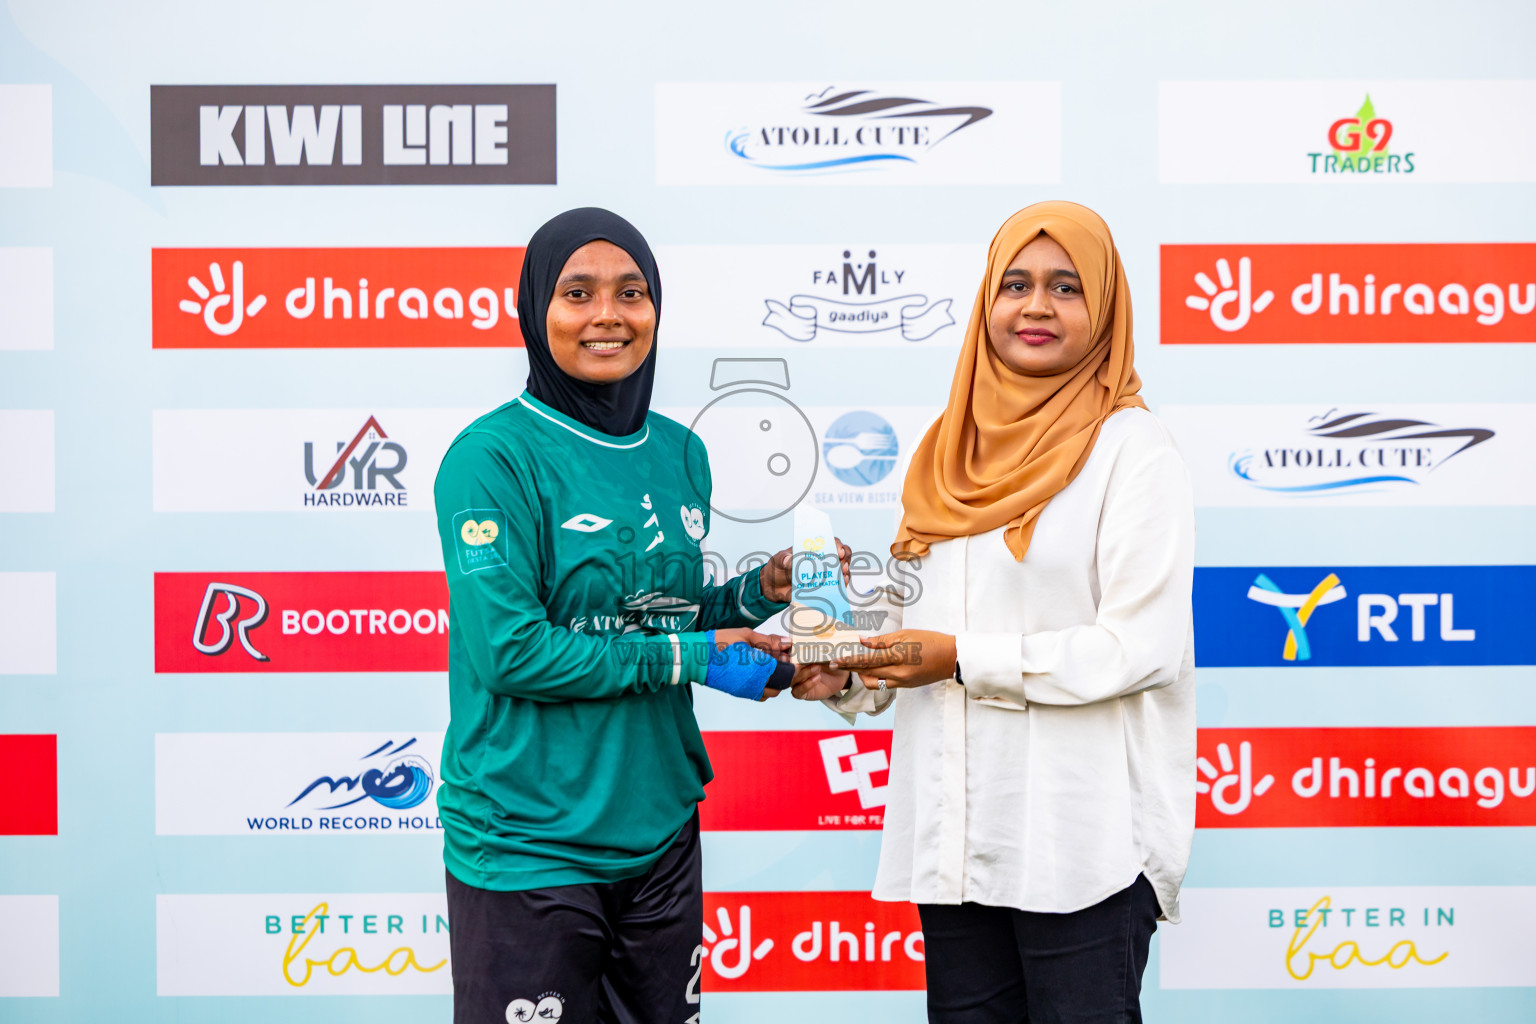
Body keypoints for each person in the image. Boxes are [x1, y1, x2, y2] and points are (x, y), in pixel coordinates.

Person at [794, 201, 1196, 1024]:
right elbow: (911, 635)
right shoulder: (947, 451)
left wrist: (962, 658)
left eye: (1066, 286)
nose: (1036, 307)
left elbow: (1138, 647)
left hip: (1082, 846)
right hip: (957, 844)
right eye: (1015, 284)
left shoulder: (1133, 452)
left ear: (1107, 310)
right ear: (987, 302)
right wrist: (845, 664)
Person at [433, 208, 831, 1024]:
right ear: (536, 310)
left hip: (659, 834)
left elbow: (662, 619)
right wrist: (691, 654)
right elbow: (514, 653)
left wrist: (761, 596)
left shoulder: (680, 451)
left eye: (632, 293)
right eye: (578, 293)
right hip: (528, 845)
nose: (608, 315)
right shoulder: (490, 458)